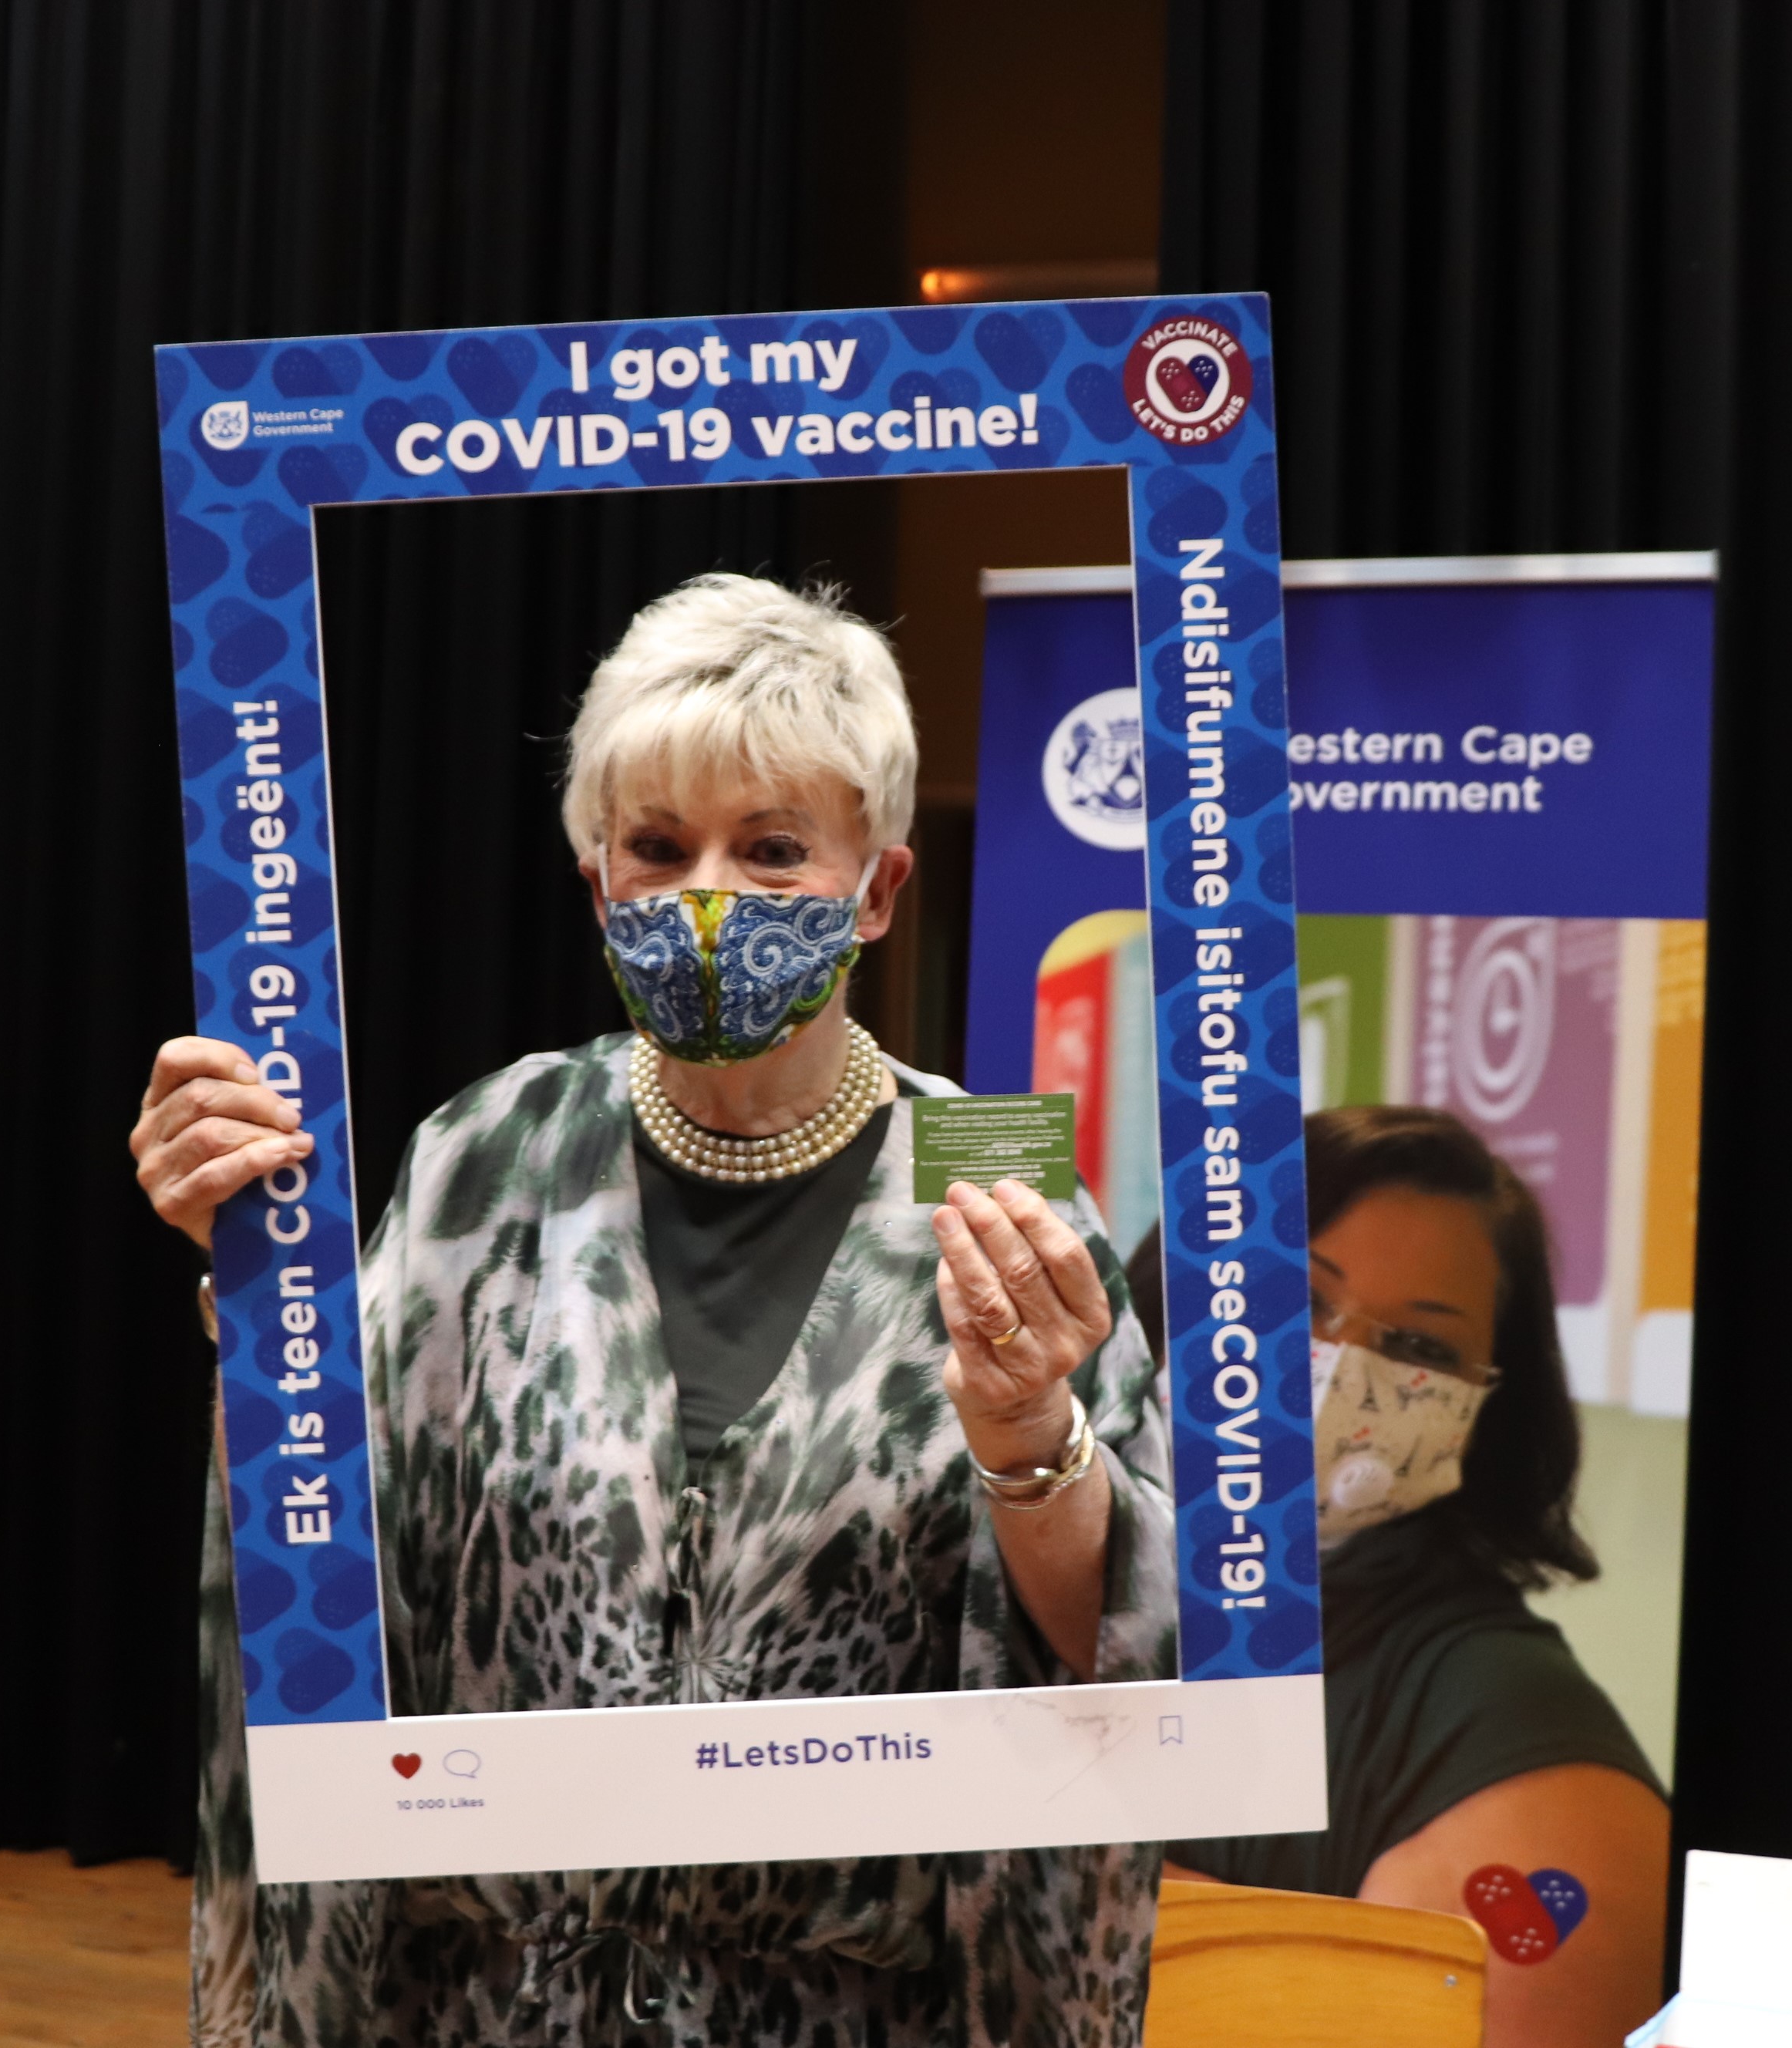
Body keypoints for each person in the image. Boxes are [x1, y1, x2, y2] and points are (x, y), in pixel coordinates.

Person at [126, 575, 1177, 2046]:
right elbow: (326, 1543)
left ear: (875, 888)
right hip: (486, 2009)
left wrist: (1024, 1434)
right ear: (595, 876)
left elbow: (1131, 1648)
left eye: (770, 852)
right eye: (657, 847)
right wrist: (243, 1270)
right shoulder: (482, 1155)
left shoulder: (990, 1176)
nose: (706, 899)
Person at [1154, 1104, 1669, 2045]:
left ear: (1484, 1410)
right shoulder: (987, 1567)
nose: (1340, 1364)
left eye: (1420, 1348)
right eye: (1299, 1300)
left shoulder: (1505, 1731)